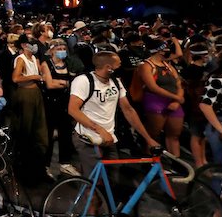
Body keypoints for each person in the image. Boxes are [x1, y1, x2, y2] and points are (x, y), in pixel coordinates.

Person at [68, 51, 158, 187]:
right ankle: (90, 207)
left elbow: (128, 110)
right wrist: (99, 130)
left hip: (109, 139)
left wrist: (148, 138)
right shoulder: (83, 81)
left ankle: (106, 207)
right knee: (94, 183)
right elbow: (73, 110)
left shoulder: (116, 82)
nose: (121, 66)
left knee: (111, 181)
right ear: (108, 67)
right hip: (89, 139)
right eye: (118, 64)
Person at [10, 34, 53, 184]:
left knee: (39, 129)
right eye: (29, 43)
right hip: (26, 94)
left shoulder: (34, 58)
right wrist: (33, 76)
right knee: (26, 129)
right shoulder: (21, 59)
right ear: (23, 45)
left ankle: (38, 165)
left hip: (36, 94)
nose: (33, 46)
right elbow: (15, 78)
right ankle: (23, 166)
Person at [137, 36, 186, 157]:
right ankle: (150, 161)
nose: (169, 50)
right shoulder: (146, 65)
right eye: (166, 48)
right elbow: (153, 87)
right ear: (159, 50)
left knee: (174, 135)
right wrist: (177, 98)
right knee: (154, 134)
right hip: (156, 101)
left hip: (173, 102)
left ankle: (176, 163)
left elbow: (179, 83)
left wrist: (177, 100)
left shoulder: (167, 64)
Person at [43, 39, 79, 177]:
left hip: (66, 102)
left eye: (63, 48)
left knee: (66, 133)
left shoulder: (68, 64)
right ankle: (46, 165)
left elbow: (73, 82)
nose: (62, 51)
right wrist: (65, 82)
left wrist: (60, 82)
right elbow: (50, 85)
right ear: (52, 50)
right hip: (51, 103)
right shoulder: (46, 64)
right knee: (49, 134)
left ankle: (65, 163)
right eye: (59, 49)